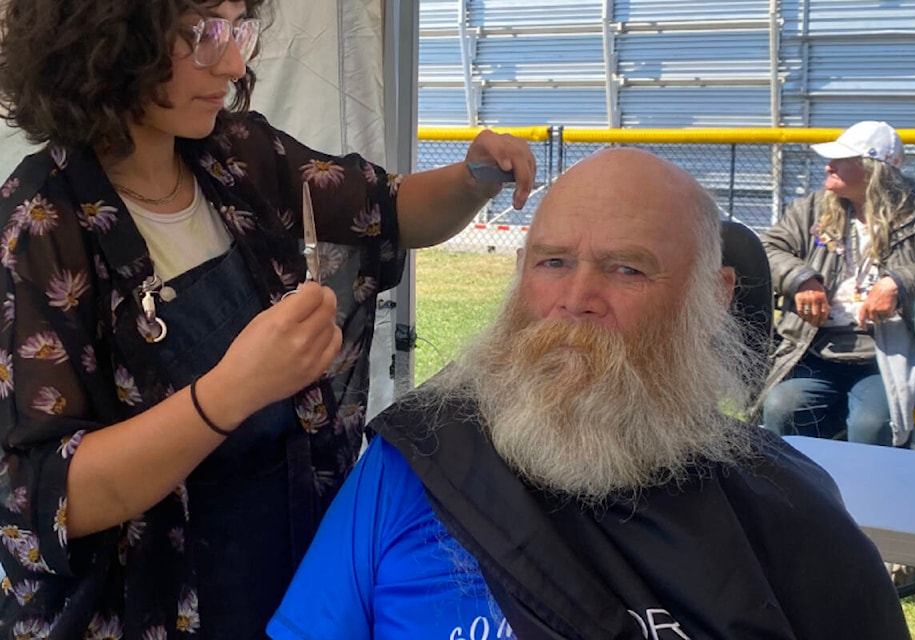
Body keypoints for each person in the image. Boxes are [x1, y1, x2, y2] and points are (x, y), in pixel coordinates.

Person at [0, 1, 536, 637]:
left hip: (288, 557)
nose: (232, 62)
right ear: (106, 39)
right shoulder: (41, 226)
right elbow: (47, 497)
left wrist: (474, 178)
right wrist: (232, 391)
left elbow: (389, 209)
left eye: (238, 29)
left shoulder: (240, 157)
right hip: (154, 597)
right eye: (202, 33)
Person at [268, 148, 910, 640]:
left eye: (626, 268)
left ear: (712, 297)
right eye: (551, 263)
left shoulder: (785, 515)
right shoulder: (419, 462)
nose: (576, 301)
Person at [759, 120, 915, 445]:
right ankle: (796, 493)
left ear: (872, 169)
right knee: (783, 407)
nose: (828, 166)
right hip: (817, 347)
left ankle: (867, 494)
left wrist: (897, 282)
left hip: (894, 349)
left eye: (840, 159)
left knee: (872, 424)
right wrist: (802, 279)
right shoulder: (810, 210)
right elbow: (768, 248)